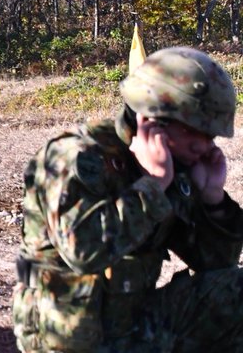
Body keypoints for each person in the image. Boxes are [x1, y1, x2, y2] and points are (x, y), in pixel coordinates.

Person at [13, 46, 243, 352]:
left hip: (135, 325)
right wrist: (153, 185)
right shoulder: (78, 158)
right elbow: (83, 251)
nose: (205, 145)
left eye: (211, 136)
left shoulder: (174, 168)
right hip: (71, 339)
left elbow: (216, 264)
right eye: (196, 131)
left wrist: (213, 199)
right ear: (153, 117)